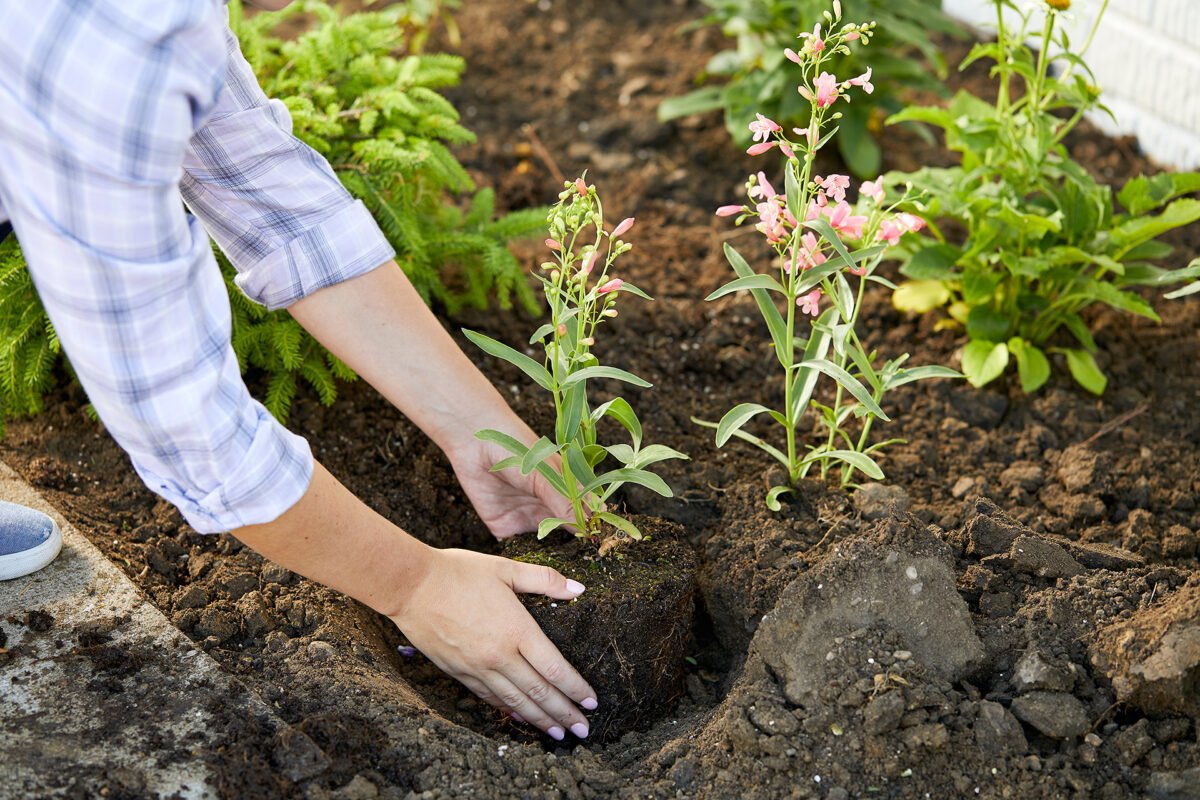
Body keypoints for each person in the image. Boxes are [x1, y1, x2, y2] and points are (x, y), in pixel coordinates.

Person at [0, 0, 596, 742]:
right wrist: (416, 584)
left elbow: (267, 194)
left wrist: (484, 431)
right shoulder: (113, 38)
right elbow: (180, 418)